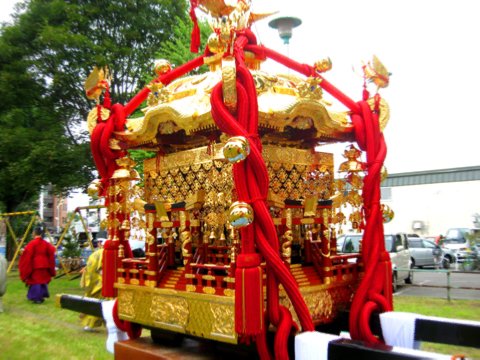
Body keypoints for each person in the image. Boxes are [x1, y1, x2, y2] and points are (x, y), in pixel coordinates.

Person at [19, 226, 56, 304]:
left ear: (34, 233)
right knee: (42, 281)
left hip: (35, 265)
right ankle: (41, 296)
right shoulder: (46, 244)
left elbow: (27, 256)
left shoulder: (32, 243)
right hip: (45, 265)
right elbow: (52, 251)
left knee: (36, 282)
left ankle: (37, 298)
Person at [79, 239, 104, 331]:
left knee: (91, 299)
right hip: (98, 282)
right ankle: (90, 324)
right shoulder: (102, 254)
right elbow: (101, 269)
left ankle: (89, 323)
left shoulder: (96, 254)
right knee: (98, 301)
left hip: (91, 280)